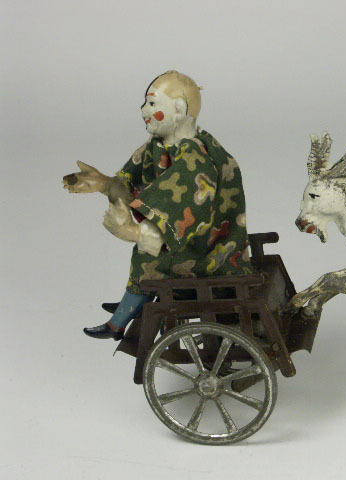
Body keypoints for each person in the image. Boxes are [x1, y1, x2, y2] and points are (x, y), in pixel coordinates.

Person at [63, 70, 252, 340]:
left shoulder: (195, 158)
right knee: (146, 251)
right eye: (145, 103)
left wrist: (135, 233)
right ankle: (134, 300)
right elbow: (129, 181)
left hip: (210, 255)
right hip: (197, 244)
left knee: (148, 255)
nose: (143, 110)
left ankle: (121, 320)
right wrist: (104, 183)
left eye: (152, 103)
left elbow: (186, 207)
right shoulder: (158, 145)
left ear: (179, 109)